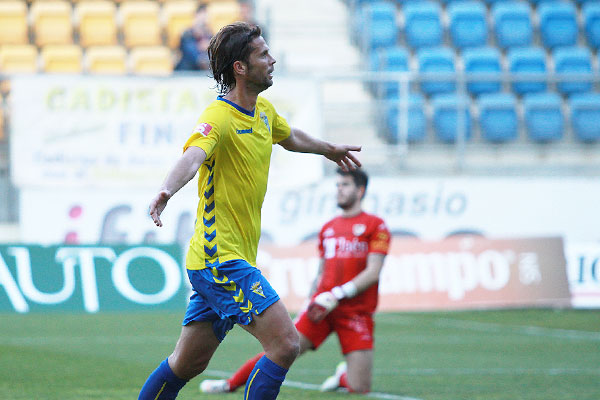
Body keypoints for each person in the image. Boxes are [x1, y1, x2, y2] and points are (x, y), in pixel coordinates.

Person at [137, 22, 361, 400]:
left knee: (186, 364)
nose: (272, 60)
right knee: (286, 344)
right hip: (218, 258)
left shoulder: (264, 111)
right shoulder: (219, 117)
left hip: (227, 257)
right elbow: (193, 157)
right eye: (262, 55)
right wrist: (166, 190)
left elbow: (288, 136)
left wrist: (327, 148)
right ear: (240, 67)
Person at [199, 167, 391, 395]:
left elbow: (373, 271)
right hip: (322, 307)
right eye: (337, 185)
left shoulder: (375, 225)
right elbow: (322, 271)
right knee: (282, 347)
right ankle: (229, 384)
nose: (339, 190)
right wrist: (311, 299)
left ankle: (343, 376)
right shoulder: (329, 228)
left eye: (345, 185)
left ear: (360, 191)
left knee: (360, 388)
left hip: (355, 311)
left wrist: (338, 294)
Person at [175, 4, 212, 71]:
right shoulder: (187, 33)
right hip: (187, 69)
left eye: (206, 15)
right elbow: (189, 52)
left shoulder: (209, 34)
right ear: (196, 15)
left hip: (202, 71)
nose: (204, 18)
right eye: (202, 15)